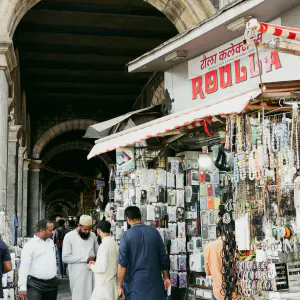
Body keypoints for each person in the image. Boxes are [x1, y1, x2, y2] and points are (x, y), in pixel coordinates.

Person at [118, 206, 171, 300]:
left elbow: (122, 265)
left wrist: (119, 286)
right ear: (140, 217)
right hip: (155, 286)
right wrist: (166, 277)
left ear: (128, 219)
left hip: (135, 288)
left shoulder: (126, 236)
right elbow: (163, 257)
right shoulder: (154, 232)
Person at [18, 219, 59, 300]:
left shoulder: (50, 242)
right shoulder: (29, 245)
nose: (53, 232)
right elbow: (24, 267)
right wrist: (22, 287)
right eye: (50, 230)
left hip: (52, 284)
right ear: (41, 230)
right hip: (35, 285)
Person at [62, 215, 98, 300]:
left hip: (92, 274)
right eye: (85, 229)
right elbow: (65, 258)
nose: (87, 232)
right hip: (77, 275)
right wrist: (85, 258)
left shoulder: (92, 235)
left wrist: (95, 258)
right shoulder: (69, 236)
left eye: (89, 229)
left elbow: (98, 251)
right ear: (79, 226)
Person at [88, 220, 118, 300]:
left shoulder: (104, 246)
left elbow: (101, 269)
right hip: (111, 284)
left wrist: (91, 266)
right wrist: (96, 263)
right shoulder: (114, 243)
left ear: (98, 231)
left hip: (103, 286)